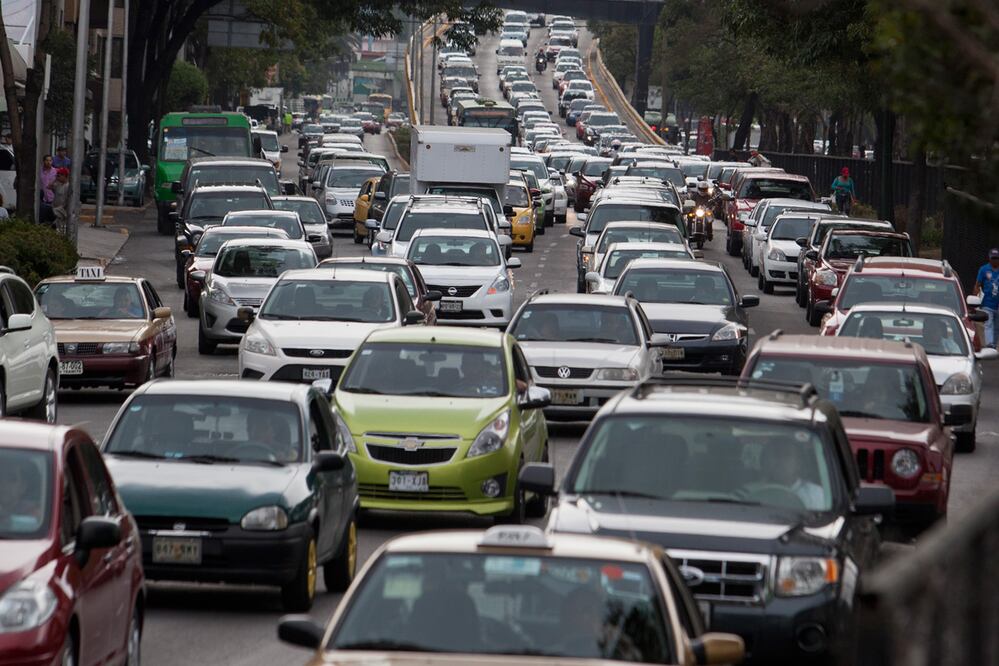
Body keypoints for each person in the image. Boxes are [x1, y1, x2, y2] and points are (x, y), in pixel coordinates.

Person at [761, 441, 825, 510]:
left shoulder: (816, 494)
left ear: (798, 463)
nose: (780, 460)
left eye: (787, 455)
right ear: (765, 462)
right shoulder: (753, 491)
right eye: (776, 455)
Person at [974, 248, 999, 349]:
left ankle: (994, 344)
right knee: (988, 324)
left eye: (997, 258)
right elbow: (977, 285)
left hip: (998, 305)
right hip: (987, 303)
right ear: (989, 258)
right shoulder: (984, 269)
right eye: (993, 258)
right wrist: (975, 299)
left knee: (997, 326)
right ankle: (989, 345)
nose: (995, 260)